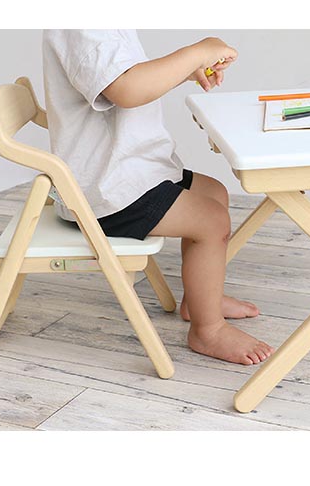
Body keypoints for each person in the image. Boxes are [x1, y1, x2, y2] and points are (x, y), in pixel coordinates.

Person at [42, 30, 274, 365]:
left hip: (133, 170)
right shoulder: (83, 26)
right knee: (211, 222)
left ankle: (199, 300)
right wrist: (195, 53)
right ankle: (208, 330)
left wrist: (185, 71)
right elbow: (127, 89)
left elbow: (133, 79)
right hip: (109, 190)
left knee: (213, 192)